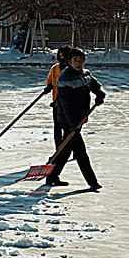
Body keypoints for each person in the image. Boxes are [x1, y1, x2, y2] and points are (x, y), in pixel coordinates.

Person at [46, 47, 105, 189]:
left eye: (81, 60)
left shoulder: (85, 74)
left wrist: (100, 94)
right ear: (69, 61)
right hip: (68, 120)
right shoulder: (65, 78)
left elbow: (95, 85)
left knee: (66, 149)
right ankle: (92, 182)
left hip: (79, 118)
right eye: (75, 60)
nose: (78, 63)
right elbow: (66, 105)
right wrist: (73, 124)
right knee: (80, 151)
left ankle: (52, 176)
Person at [45, 45, 72, 149]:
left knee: (68, 127)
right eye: (60, 57)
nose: (62, 60)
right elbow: (50, 80)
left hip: (68, 104)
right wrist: (49, 86)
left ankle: (69, 148)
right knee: (57, 127)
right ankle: (58, 149)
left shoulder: (71, 69)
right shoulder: (55, 68)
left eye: (64, 57)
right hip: (56, 103)